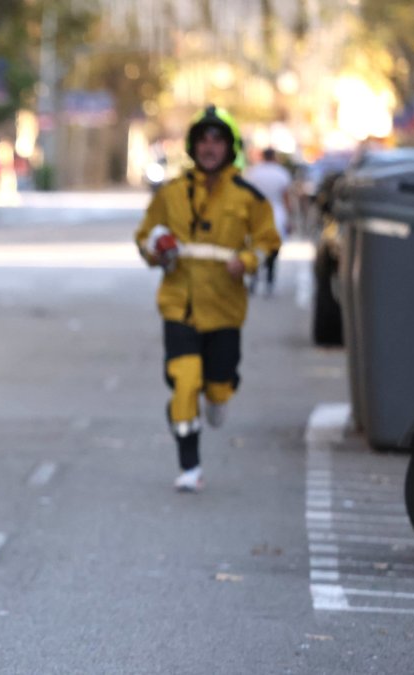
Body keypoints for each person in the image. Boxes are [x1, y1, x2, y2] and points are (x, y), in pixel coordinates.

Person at [133, 105, 281, 492]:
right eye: (203, 140)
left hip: (225, 309)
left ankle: (218, 394)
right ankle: (189, 466)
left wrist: (248, 261)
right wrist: (156, 248)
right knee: (185, 380)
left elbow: (268, 240)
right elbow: (144, 235)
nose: (209, 147)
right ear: (193, 146)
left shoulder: (249, 197)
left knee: (216, 388)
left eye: (217, 140)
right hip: (178, 303)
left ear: (229, 148)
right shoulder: (170, 193)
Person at [242, 147, 293, 295]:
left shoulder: (253, 173)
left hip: (256, 214)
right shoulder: (281, 173)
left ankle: (254, 277)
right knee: (273, 248)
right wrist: (289, 219)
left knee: (255, 246)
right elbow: (286, 198)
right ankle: (270, 279)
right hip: (278, 214)